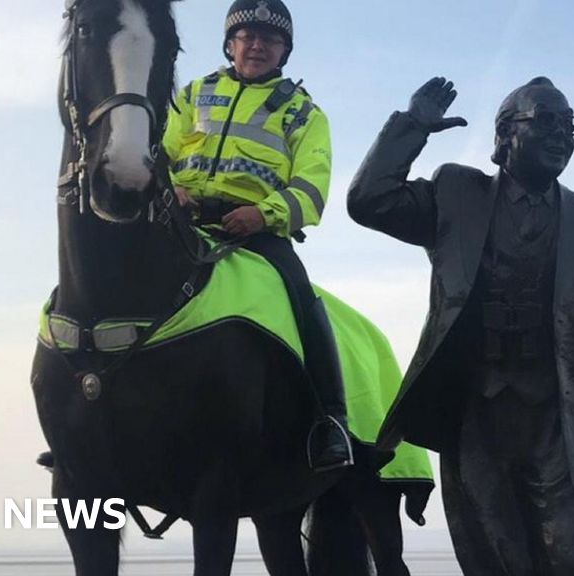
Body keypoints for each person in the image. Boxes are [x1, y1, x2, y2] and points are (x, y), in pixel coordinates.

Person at [347, 76, 574, 575]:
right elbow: (368, 201)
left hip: (559, 421)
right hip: (474, 415)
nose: (560, 134)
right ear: (504, 135)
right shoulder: (456, 194)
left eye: (569, 124)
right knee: (494, 558)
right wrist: (413, 126)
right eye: (545, 121)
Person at [162, 0, 353, 471]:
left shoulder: (303, 112)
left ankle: (331, 420)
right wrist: (170, 187)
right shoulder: (193, 94)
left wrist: (263, 214)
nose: (257, 46)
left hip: (255, 231)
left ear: (285, 50)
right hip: (181, 222)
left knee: (301, 296)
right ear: (230, 45)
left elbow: (312, 187)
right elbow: (158, 152)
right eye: (247, 36)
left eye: (270, 39)